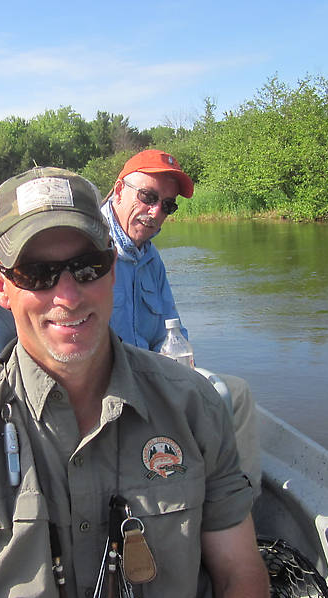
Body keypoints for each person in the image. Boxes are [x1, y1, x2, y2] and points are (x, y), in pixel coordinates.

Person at [0, 166, 271, 598]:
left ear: (111, 268)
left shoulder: (195, 405)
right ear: (0, 287)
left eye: (87, 267)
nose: (68, 296)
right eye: (36, 273)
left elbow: (239, 573)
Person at [101, 149, 261, 498]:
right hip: (105, 392)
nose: (156, 212)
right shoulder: (88, 248)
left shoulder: (150, 258)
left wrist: (180, 378)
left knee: (236, 396)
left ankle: (241, 511)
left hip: (150, 379)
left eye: (168, 206)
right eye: (148, 197)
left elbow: (171, 332)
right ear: (118, 191)